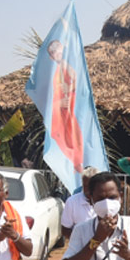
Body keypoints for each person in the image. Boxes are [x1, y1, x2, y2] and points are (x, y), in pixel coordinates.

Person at [45, 39, 84, 173]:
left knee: (74, 136)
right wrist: (57, 103)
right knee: (61, 137)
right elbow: (48, 97)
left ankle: (76, 164)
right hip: (59, 112)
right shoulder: (53, 72)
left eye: (59, 50)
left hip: (69, 108)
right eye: (55, 52)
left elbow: (75, 79)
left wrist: (70, 89)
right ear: (51, 56)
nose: (58, 53)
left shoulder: (65, 66)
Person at [60, 166, 98, 244]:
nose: (88, 190)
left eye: (92, 186)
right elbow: (65, 230)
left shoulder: (105, 202)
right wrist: (81, 240)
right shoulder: (72, 202)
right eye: (86, 186)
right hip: (78, 248)